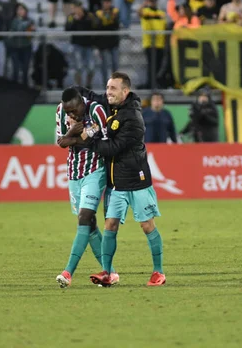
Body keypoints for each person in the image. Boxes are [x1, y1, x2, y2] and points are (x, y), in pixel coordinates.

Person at [71, 72, 166, 287]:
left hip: (137, 180)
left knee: (147, 225)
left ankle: (158, 272)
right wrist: (76, 90)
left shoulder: (133, 118)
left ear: (125, 91)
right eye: (108, 87)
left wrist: (87, 138)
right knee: (110, 224)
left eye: (113, 88)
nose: (108, 92)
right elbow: (96, 97)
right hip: (116, 183)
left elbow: (113, 148)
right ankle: (107, 272)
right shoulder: (114, 105)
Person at [54, 88, 119, 287]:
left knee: (84, 218)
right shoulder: (60, 111)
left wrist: (74, 139)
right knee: (89, 225)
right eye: (68, 112)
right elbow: (61, 142)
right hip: (73, 173)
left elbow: (101, 141)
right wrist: (75, 133)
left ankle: (68, 272)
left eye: (74, 111)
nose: (71, 115)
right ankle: (110, 273)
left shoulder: (97, 110)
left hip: (95, 171)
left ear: (82, 103)